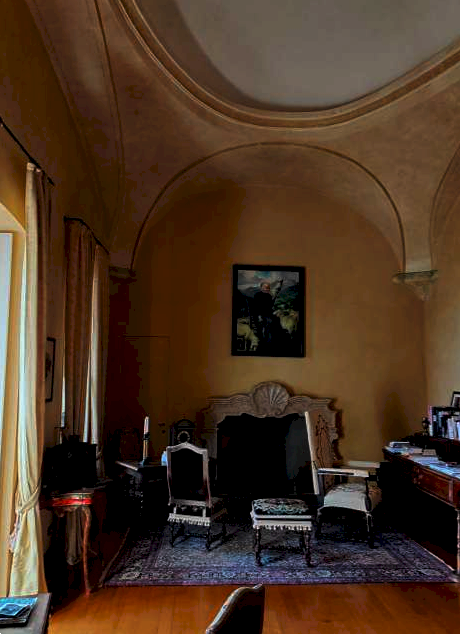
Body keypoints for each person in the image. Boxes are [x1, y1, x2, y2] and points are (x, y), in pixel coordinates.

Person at [252, 279, 283, 348]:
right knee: (269, 323)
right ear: (261, 288)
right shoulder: (257, 295)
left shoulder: (269, 296)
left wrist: (275, 312)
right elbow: (256, 307)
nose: (267, 289)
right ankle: (267, 342)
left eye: (268, 287)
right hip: (260, 315)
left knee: (277, 319)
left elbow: (270, 306)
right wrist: (259, 316)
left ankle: (278, 339)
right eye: (265, 287)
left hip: (268, 314)